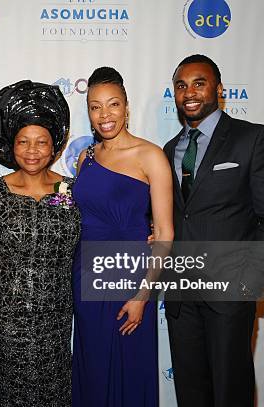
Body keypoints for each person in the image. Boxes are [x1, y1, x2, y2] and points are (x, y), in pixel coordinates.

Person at [163, 54, 264, 407]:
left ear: (219, 90)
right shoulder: (169, 150)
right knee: (190, 395)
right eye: (180, 85)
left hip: (228, 297)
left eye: (199, 83)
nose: (189, 92)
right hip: (180, 298)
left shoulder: (253, 139)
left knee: (230, 394)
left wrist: (247, 285)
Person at [0, 80, 79, 407]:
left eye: (41, 142)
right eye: (24, 141)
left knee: (54, 393)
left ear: (54, 144)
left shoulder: (68, 192)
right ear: (11, 145)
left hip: (55, 320)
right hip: (5, 320)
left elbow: (97, 229)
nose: (32, 150)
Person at [71, 67, 174, 407]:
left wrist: (142, 296)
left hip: (129, 278)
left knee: (129, 366)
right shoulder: (86, 158)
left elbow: (165, 234)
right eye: (95, 106)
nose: (105, 115)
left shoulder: (151, 156)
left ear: (126, 108)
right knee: (94, 366)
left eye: (113, 104)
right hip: (86, 277)